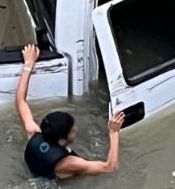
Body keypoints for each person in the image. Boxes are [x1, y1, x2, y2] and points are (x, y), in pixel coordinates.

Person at [16, 44, 125, 179]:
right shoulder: (69, 163)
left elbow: (20, 101)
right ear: (62, 140)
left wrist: (28, 64)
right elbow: (110, 167)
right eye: (72, 131)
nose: (76, 129)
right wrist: (114, 132)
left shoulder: (33, 132)